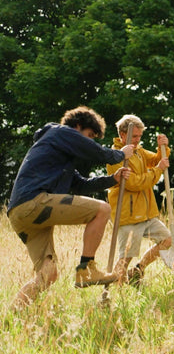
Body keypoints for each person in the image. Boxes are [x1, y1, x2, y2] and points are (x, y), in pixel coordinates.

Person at [7, 106, 133, 309]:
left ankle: (11, 316)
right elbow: (96, 152)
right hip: (34, 202)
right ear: (77, 127)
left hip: (19, 214)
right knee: (102, 209)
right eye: (89, 135)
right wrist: (120, 154)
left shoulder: (59, 159)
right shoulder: (60, 132)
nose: (89, 141)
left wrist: (112, 179)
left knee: (48, 274)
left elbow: (81, 184)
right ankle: (86, 269)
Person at [106, 115, 172, 286]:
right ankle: (113, 293)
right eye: (134, 136)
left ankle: (138, 270)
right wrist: (157, 170)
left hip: (146, 213)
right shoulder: (115, 157)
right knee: (125, 257)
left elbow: (157, 160)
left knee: (167, 240)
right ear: (122, 134)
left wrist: (162, 148)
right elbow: (134, 183)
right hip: (128, 214)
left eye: (139, 136)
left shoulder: (138, 152)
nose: (137, 140)